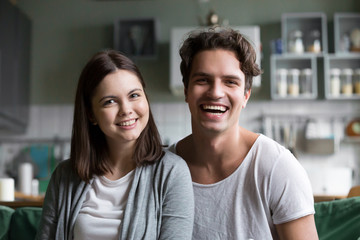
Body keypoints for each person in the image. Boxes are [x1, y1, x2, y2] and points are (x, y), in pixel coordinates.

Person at [169, 27, 319, 239]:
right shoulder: (164, 167)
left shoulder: (277, 167)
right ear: (186, 91)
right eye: (203, 80)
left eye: (230, 82)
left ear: (246, 95)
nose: (216, 92)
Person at [36, 50, 194, 240]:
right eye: (109, 101)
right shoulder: (64, 175)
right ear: (91, 114)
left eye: (134, 95)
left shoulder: (172, 172)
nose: (126, 110)